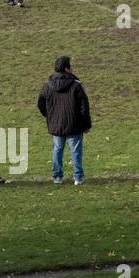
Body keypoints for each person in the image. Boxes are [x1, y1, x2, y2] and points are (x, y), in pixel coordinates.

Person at [37, 55, 92, 185]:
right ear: (66, 69)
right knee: (76, 151)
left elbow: (40, 104)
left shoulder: (47, 85)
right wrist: (87, 124)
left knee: (57, 150)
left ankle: (57, 177)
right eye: (70, 65)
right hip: (75, 124)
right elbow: (84, 107)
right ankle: (78, 177)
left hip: (56, 124)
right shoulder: (76, 85)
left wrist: (50, 116)